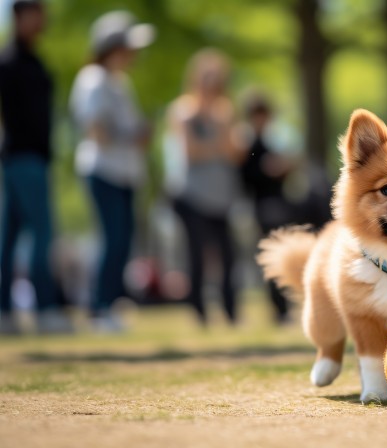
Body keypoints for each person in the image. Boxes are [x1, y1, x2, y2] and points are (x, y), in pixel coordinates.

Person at [69, 11, 155, 332]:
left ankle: (110, 303)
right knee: (111, 238)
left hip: (126, 173)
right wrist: (131, 135)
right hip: (103, 170)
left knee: (123, 240)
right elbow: (96, 131)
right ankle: (98, 308)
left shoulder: (121, 82)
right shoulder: (92, 79)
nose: (133, 54)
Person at [0, 0, 72, 335]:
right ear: (19, 16)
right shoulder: (9, 62)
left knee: (10, 238)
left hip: (32, 158)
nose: (42, 20)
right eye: (36, 13)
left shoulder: (35, 62)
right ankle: (45, 309)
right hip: (21, 158)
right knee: (41, 233)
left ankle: (6, 312)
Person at [165, 49, 243, 326]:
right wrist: (219, 144)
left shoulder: (226, 112)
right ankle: (199, 310)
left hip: (222, 197)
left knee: (228, 256)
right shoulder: (183, 111)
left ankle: (231, 310)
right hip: (191, 195)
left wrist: (221, 136)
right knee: (196, 255)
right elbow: (191, 152)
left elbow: (235, 153)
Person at [239, 92, 294, 324]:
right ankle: (278, 307)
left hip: (279, 203)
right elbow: (246, 176)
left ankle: (284, 305)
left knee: (282, 253)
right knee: (271, 256)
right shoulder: (248, 146)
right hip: (261, 206)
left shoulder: (275, 142)